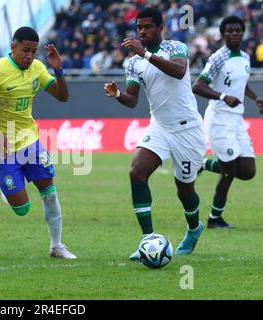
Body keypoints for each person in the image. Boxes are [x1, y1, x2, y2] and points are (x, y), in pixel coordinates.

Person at [0, 26, 76, 259]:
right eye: (25, 50)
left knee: (49, 192)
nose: (29, 56)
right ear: (13, 46)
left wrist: (59, 70)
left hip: (29, 139)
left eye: (34, 52)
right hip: (1, 146)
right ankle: (0, 179)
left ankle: (57, 246)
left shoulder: (37, 68)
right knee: (22, 209)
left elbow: (62, 97)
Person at [103, 8, 206, 258]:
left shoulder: (175, 47)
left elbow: (179, 71)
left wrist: (146, 53)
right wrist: (117, 95)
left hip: (188, 128)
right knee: (137, 172)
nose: (142, 32)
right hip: (159, 126)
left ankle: (194, 228)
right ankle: (147, 240)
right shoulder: (134, 62)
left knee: (184, 190)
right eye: (139, 27)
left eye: (147, 27)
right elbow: (132, 99)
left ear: (160, 28)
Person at [193, 16, 263, 229]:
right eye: (230, 31)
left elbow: (241, 84)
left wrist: (255, 97)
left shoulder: (244, 57)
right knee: (230, 171)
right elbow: (198, 86)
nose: (234, 34)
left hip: (237, 119)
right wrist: (223, 97)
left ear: (243, 33)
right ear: (223, 34)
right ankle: (215, 218)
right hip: (219, 119)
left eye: (238, 30)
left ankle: (203, 164)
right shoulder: (217, 58)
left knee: (248, 171)